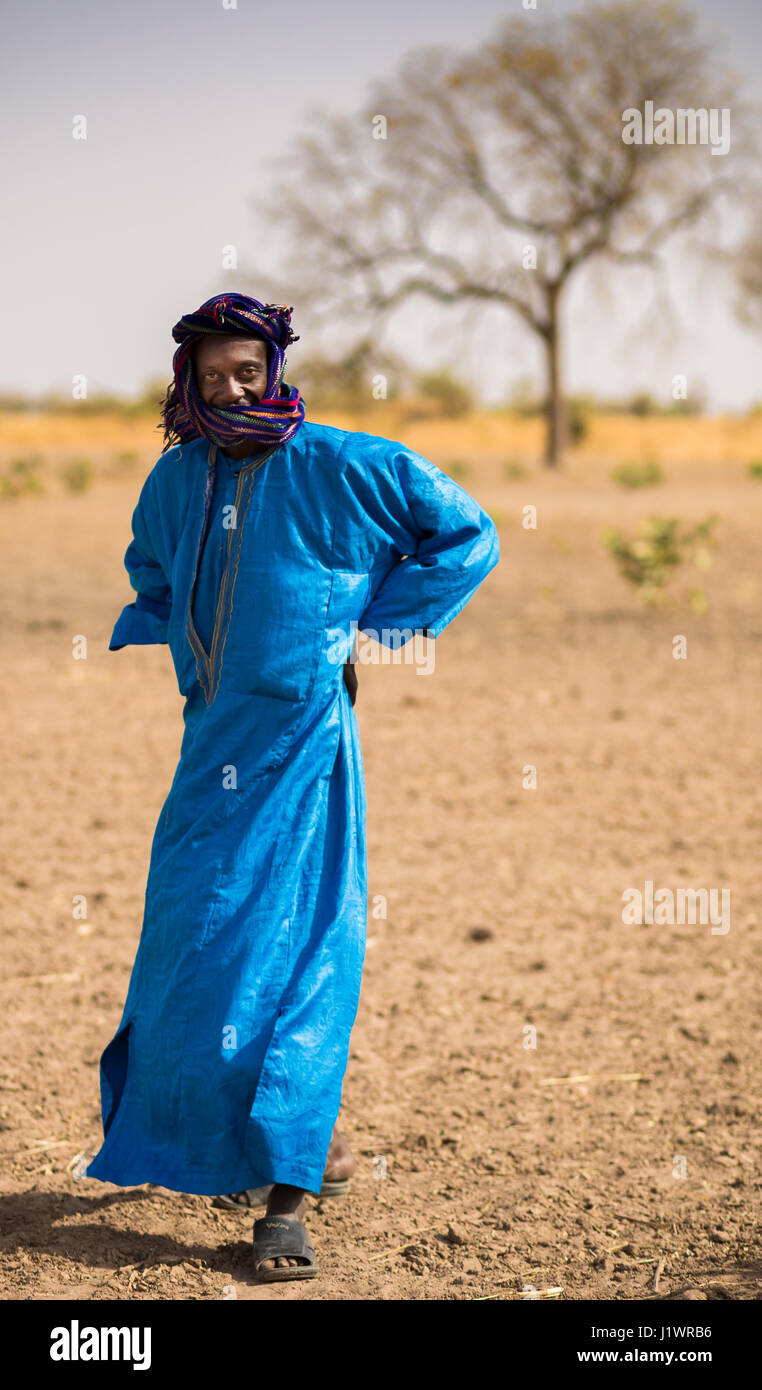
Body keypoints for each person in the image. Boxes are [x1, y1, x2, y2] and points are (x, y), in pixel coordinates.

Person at [85, 292, 500, 1282]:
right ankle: (293, 1139)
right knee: (192, 955)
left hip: (307, 749)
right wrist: (183, 635)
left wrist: (369, 626)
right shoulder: (175, 479)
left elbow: (467, 531)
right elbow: (153, 570)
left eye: (249, 372)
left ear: (276, 373)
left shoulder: (346, 464)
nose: (232, 389)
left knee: (306, 956)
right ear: (186, 381)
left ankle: (287, 1201)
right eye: (213, 374)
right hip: (207, 756)